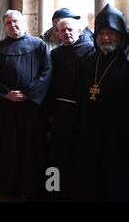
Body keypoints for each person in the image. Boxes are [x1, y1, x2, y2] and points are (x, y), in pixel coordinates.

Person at [0, 9, 52, 200]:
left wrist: (28, 93)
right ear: (4, 25)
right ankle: (8, 186)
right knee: (9, 148)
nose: (13, 25)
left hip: (31, 108)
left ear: (22, 22)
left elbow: (47, 72)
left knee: (30, 148)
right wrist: (5, 94)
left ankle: (31, 187)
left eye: (15, 21)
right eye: (8, 23)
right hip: (7, 108)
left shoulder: (39, 45)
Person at [70, 3, 129, 201]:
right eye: (101, 32)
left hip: (118, 133)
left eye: (111, 32)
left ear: (121, 35)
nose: (105, 37)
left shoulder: (126, 63)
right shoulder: (89, 61)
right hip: (89, 131)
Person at [48, 17, 94, 200]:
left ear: (79, 31)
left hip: (81, 111)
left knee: (79, 153)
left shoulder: (90, 50)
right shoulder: (55, 54)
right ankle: (55, 189)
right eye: (63, 30)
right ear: (57, 34)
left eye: (70, 29)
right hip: (59, 110)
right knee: (58, 153)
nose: (67, 33)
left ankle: (77, 192)